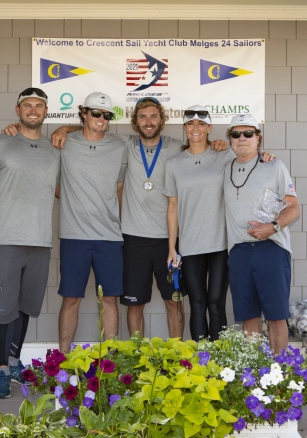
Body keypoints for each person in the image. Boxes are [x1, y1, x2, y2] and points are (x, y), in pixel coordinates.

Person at [50, 98, 227, 340]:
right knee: (135, 304)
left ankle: (175, 357)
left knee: (173, 302)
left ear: (162, 120)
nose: (148, 122)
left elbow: (200, 149)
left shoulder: (177, 148)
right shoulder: (124, 144)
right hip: (133, 238)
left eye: (153, 116)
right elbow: (93, 128)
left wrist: (216, 143)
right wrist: (63, 128)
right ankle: (136, 356)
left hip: (169, 240)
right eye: (143, 117)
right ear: (135, 122)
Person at [0, 87, 60, 399]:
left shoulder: (53, 149)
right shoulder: (1, 143)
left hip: (40, 241)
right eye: (27, 106)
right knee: (3, 307)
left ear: (46, 112)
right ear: (18, 111)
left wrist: (68, 129)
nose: (33, 110)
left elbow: (60, 190)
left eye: (39, 106)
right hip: (7, 240)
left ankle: (17, 362)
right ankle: (2, 369)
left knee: (25, 306)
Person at [164, 106, 274, 342]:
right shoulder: (174, 163)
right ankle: (198, 362)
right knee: (197, 304)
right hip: (190, 244)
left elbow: (249, 154)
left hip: (221, 243)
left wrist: (267, 155)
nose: (195, 128)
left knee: (215, 304)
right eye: (190, 124)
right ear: (184, 128)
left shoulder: (225, 154)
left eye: (201, 124)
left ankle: (216, 362)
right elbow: (172, 208)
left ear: (209, 128)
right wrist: (172, 248)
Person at [55, 92, 128, 352]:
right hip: (73, 235)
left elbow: (119, 189)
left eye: (106, 115)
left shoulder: (120, 146)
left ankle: (110, 360)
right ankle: (63, 358)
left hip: (109, 237)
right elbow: (55, 186)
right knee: (71, 298)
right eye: (95, 112)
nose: (101, 118)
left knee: (109, 300)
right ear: (84, 113)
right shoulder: (64, 141)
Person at [222, 113, 300, 354]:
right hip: (239, 251)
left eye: (248, 133)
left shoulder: (274, 165)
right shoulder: (225, 168)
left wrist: (272, 227)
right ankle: (254, 375)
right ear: (230, 139)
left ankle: (279, 374)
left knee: (276, 316)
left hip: (272, 249)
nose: (242, 138)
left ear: (258, 138)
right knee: (248, 317)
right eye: (236, 134)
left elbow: (294, 207)